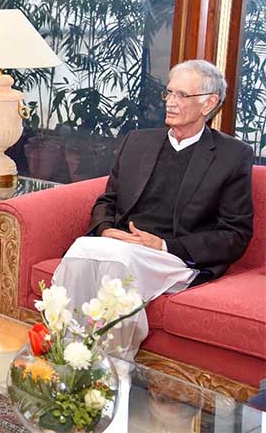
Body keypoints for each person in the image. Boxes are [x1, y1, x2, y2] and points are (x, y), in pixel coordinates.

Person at [52, 59, 253, 359]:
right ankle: (66, 355)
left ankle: (110, 369)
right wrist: (108, 231)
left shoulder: (231, 155)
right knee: (83, 247)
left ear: (209, 103)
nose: (170, 103)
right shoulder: (139, 142)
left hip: (174, 256)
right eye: (168, 93)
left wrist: (161, 244)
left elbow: (235, 234)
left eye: (181, 96)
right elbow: (108, 200)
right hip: (126, 245)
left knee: (116, 262)